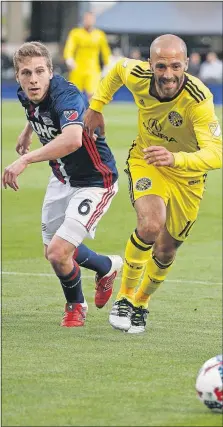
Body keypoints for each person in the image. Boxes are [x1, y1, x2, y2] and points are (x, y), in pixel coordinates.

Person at [84, 34, 222, 334]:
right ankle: (124, 298)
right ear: (150, 64)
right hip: (147, 159)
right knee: (150, 223)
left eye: (175, 66)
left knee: (166, 250)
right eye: (161, 66)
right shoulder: (137, 75)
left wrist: (175, 159)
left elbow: (216, 153)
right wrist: (96, 106)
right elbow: (118, 69)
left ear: (186, 64)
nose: (168, 74)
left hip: (188, 175)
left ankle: (141, 302)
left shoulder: (199, 99)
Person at [2, 41, 123, 328]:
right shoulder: (26, 93)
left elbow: (72, 139)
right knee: (53, 254)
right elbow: (35, 109)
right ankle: (106, 266)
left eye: (40, 72)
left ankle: (75, 306)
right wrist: (27, 131)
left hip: (95, 181)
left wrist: (25, 160)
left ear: (51, 72)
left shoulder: (66, 95)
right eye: (26, 73)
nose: (33, 79)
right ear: (17, 76)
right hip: (61, 179)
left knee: (58, 252)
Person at [63, 11, 111, 99]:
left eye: (90, 19)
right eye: (86, 19)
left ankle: (90, 112)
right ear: (83, 20)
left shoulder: (100, 35)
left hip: (93, 69)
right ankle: (77, 112)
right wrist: (69, 59)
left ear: (94, 20)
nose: (88, 21)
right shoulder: (75, 33)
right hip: (77, 68)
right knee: (74, 95)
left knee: (92, 95)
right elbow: (69, 48)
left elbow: (106, 52)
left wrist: (107, 65)